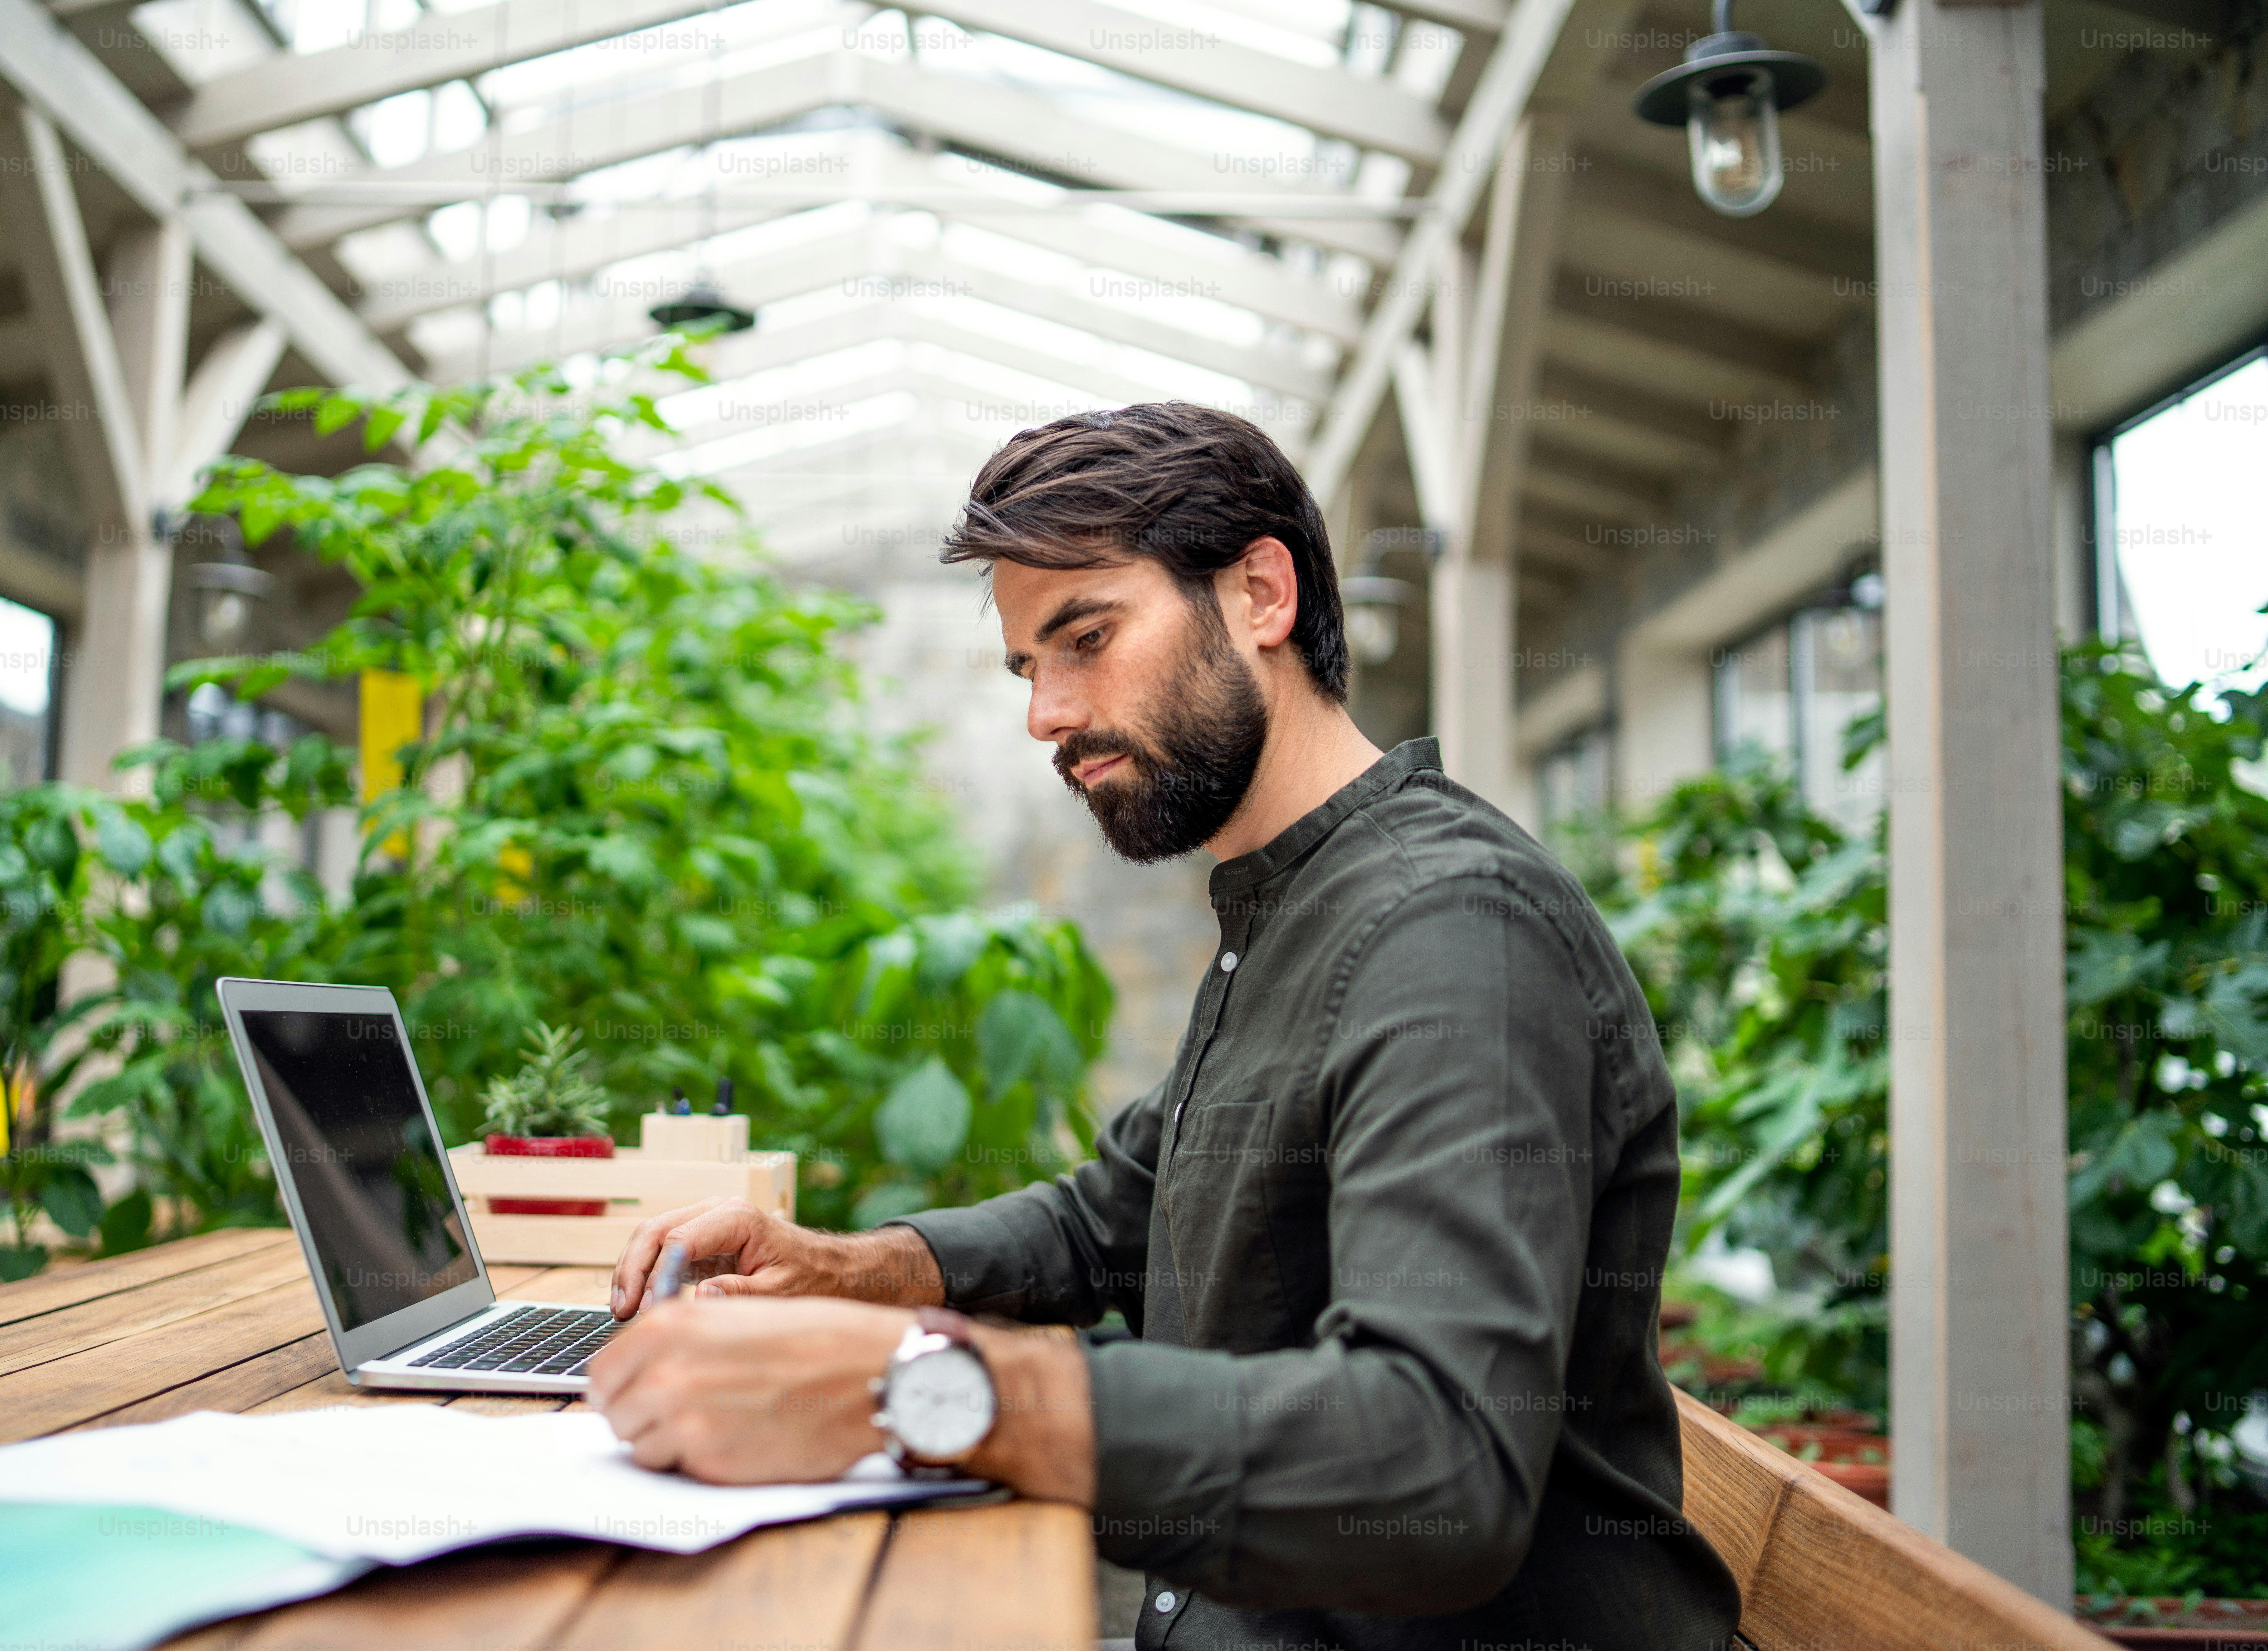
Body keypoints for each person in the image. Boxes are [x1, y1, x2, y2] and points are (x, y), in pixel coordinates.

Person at [587, 403, 1742, 1650]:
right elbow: (1115, 1218)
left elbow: (1435, 1465)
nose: (1045, 714)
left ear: (1258, 594)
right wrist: (839, 1268)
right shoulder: (1295, 905)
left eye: (1086, 637)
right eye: (1030, 667)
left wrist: (912, 1393)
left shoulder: (1451, 935)